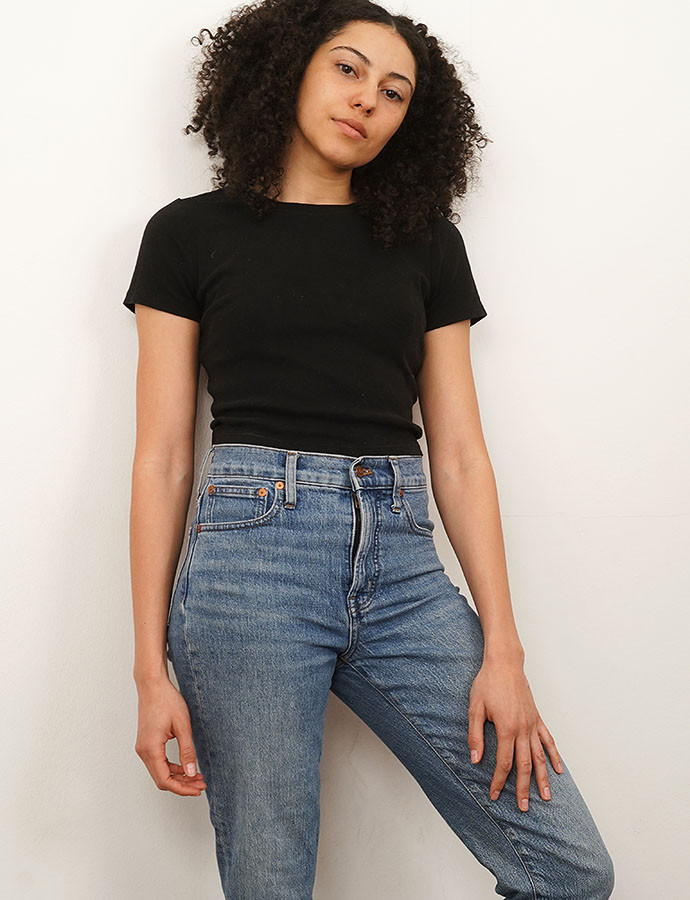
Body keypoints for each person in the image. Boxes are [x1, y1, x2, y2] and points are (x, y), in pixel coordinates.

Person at [123, 1, 615, 897]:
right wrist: (148, 671)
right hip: (249, 567)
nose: (367, 101)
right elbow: (162, 456)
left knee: (569, 871)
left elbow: (459, 453)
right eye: (347, 69)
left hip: (401, 564)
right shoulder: (188, 234)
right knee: (272, 883)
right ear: (288, 71)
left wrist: (503, 652)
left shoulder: (426, 246)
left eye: (394, 92)